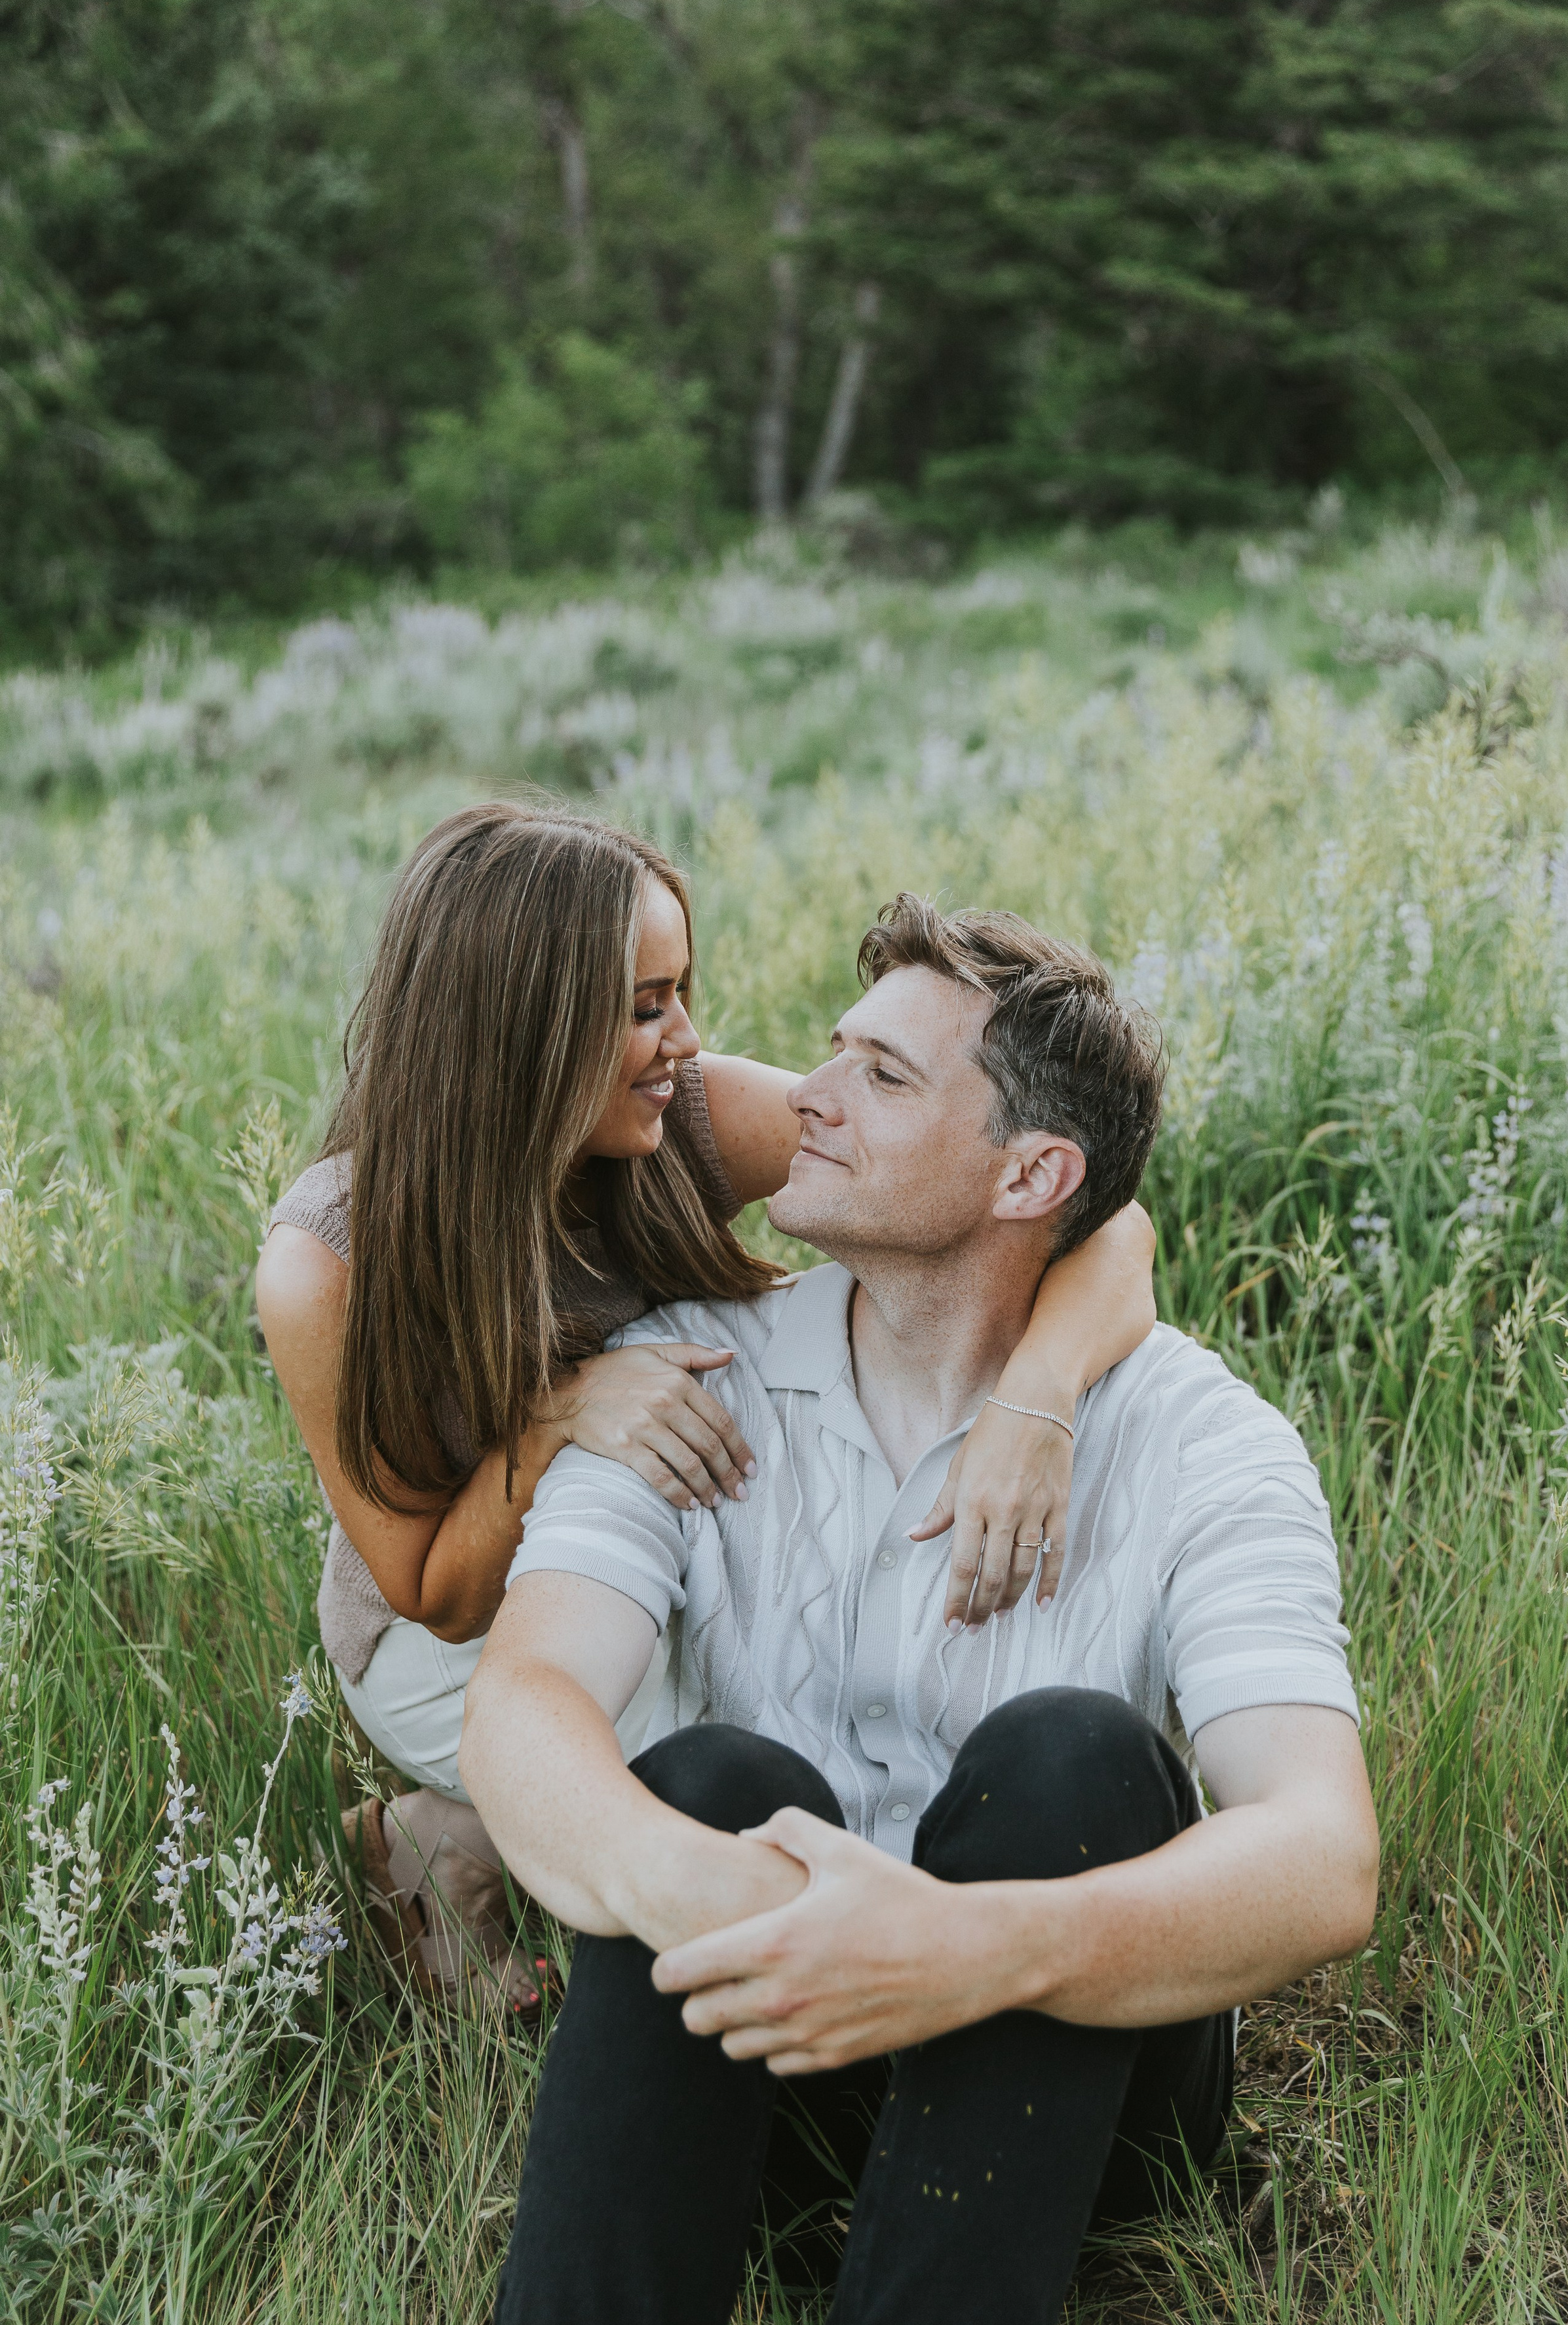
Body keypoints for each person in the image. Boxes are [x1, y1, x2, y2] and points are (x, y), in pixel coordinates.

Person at [459, 893, 1379, 2325]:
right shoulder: (690, 1375)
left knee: (1075, 1758)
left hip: (1076, 2110)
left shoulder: (1202, 1444)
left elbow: (1321, 1855)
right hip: (779, 2069)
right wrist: (691, 1888)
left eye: (880, 1077)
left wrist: (970, 1950)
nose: (805, 1096)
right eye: (834, 1051)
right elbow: (524, 1698)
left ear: (1029, 1176)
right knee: (708, 1785)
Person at [256, 807, 1160, 2010]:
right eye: (646, 1006)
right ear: (520, 1030)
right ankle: (454, 1831)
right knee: (770, 1770)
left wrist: (1036, 1404)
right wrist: (557, 1419)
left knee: (837, 1670)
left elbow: (1096, 1217)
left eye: (681, 993)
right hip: (453, 1647)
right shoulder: (330, 1263)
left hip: (669, 1530)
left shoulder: (684, 1117)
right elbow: (432, 1590)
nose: (684, 1039)